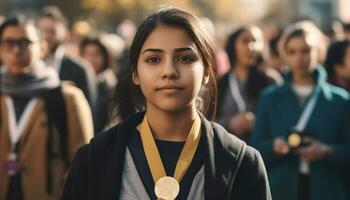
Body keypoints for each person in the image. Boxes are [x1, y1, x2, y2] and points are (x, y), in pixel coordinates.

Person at [62, 7, 271, 200]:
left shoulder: (243, 164)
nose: (169, 71)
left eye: (185, 58)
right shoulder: (93, 160)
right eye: (153, 59)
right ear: (135, 73)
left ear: (207, 71)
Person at [251, 22, 350, 200]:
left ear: (318, 51)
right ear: (284, 55)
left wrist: (326, 151)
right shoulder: (269, 98)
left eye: (306, 50)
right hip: (281, 189)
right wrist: (274, 146)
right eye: (292, 51)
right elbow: (255, 149)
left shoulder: (340, 100)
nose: (299, 57)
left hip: (327, 189)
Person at [0, 16, 94, 200]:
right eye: (8, 43)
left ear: (42, 47)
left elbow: (83, 167)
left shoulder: (67, 99)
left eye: (25, 42)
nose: (16, 51)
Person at [216, 26, 281, 142]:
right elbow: (207, 122)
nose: (252, 47)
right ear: (233, 45)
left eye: (256, 41)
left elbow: (282, 119)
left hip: (262, 153)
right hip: (226, 153)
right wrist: (229, 123)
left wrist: (258, 123)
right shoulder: (220, 83)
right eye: (245, 41)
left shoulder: (271, 80)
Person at [37, 6, 96, 106]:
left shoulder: (80, 70)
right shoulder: (28, 67)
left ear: (65, 33)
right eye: (42, 31)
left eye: (52, 31)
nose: (46, 36)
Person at [80, 36, 118, 133]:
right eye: (88, 54)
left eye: (96, 54)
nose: (92, 59)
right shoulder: (77, 83)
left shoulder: (110, 84)